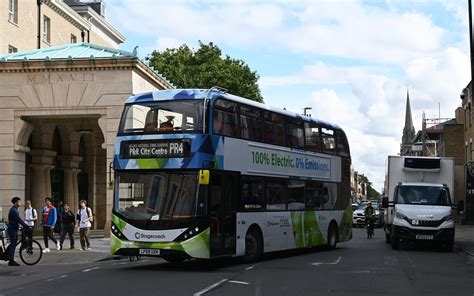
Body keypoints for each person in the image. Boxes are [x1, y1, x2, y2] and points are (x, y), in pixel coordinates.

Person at [7, 197, 30, 266]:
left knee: (13, 244)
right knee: (13, 244)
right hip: (12, 230)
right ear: (15, 203)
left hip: (14, 229)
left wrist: (20, 227)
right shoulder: (14, 210)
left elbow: (16, 221)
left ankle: (8, 255)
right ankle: (11, 260)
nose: (20, 203)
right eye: (18, 202)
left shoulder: (15, 209)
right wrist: (27, 226)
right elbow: (19, 220)